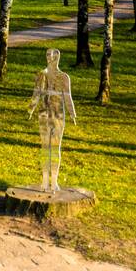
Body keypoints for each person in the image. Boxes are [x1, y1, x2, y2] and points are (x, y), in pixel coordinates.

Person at [28, 48, 77, 192]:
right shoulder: (41, 75)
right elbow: (36, 94)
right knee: (45, 147)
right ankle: (44, 180)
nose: (50, 58)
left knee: (55, 147)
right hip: (44, 114)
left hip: (58, 116)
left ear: (58, 58)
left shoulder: (64, 77)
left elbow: (68, 97)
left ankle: (54, 181)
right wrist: (30, 109)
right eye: (48, 55)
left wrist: (72, 114)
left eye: (53, 55)